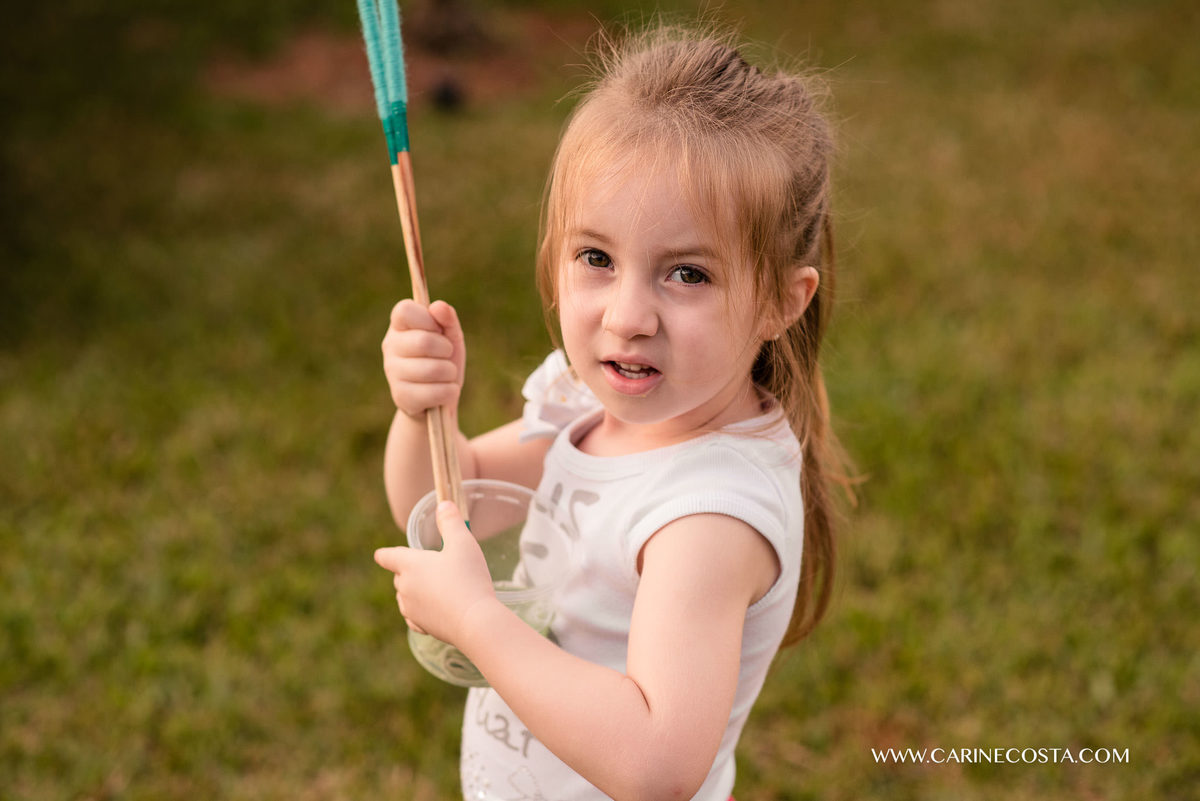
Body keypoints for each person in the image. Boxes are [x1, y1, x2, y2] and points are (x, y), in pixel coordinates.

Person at [375, 23, 850, 801]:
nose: (628, 315)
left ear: (780, 301)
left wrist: (478, 621)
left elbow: (657, 761)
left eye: (687, 273)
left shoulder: (707, 517)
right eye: (597, 257)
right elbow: (442, 497)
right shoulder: (592, 407)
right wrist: (419, 410)